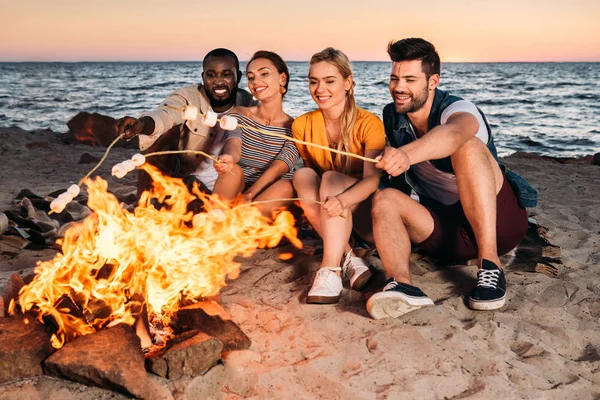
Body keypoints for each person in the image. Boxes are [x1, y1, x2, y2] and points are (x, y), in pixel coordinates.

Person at [367, 38, 536, 319]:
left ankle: (490, 266)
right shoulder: (392, 115)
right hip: (446, 233)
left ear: (433, 81)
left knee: (467, 145)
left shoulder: (458, 109)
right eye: (394, 78)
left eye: (410, 79)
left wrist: (406, 155)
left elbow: (455, 133)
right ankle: (403, 286)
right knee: (384, 198)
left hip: (498, 226)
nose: (398, 87)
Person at [292, 47, 386, 304]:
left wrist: (343, 201)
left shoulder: (369, 123)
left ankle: (330, 268)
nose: (320, 89)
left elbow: (373, 181)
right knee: (302, 175)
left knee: (332, 178)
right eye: (314, 81)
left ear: (347, 82)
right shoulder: (302, 125)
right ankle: (349, 258)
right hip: (330, 212)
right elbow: (314, 175)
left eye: (329, 81)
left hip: (364, 212)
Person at [113, 48, 257, 198]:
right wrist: (142, 124)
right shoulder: (189, 97)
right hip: (187, 186)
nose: (219, 81)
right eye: (211, 75)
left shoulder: (248, 105)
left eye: (226, 75)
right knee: (166, 133)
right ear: (203, 77)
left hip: (229, 190)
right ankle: (147, 202)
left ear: (238, 76)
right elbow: (166, 114)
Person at [212, 51, 301, 216]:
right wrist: (229, 158)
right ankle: (214, 222)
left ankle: (239, 224)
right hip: (238, 191)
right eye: (251, 77)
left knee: (287, 185)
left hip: (272, 196)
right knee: (233, 170)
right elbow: (234, 142)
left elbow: (278, 169)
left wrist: (251, 194)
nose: (255, 81)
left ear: (282, 78)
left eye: (264, 74)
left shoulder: (296, 128)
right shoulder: (238, 114)